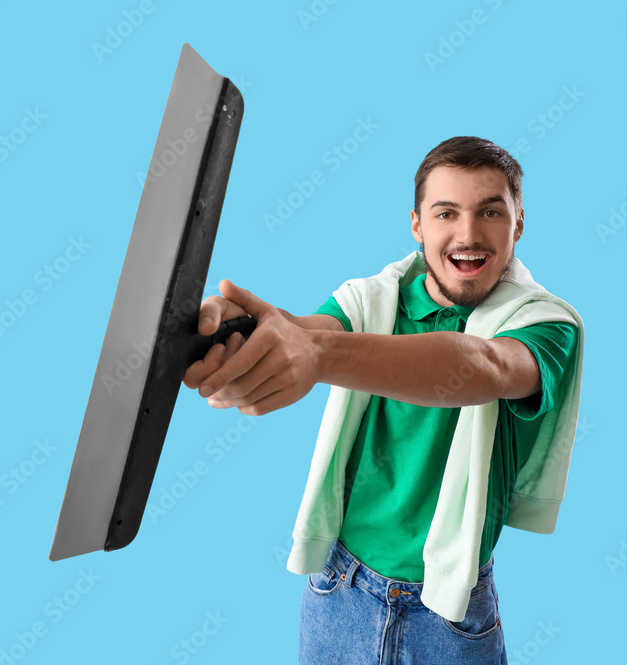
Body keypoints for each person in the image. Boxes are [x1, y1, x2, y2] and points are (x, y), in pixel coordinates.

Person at [182, 136, 583, 664]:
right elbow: (304, 332)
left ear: (519, 223)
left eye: (490, 212)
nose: (468, 234)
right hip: (339, 592)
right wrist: (227, 335)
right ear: (417, 224)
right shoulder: (368, 301)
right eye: (446, 213)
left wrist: (317, 354)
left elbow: (483, 366)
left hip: (452, 615)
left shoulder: (547, 325)